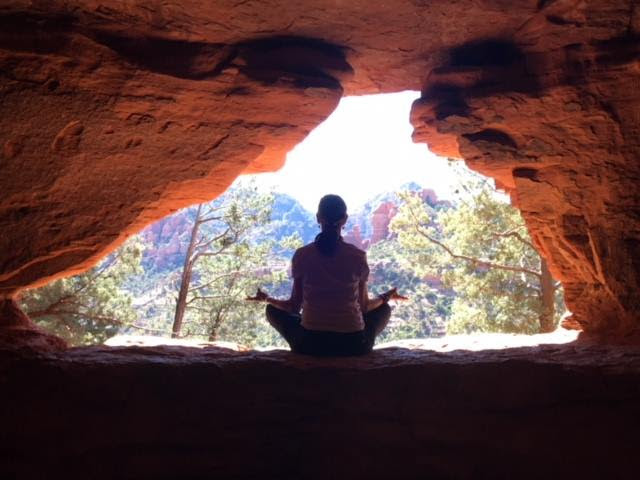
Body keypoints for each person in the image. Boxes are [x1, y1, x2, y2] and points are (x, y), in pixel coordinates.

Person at [247, 194, 406, 356]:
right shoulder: (357, 256)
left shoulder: (302, 255)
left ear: (318, 218)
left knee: (271, 310)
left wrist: (267, 299)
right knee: (384, 309)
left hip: (309, 344)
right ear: (344, 220)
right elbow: (364, 307)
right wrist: (386, 296)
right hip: (354, 344)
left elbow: (294, 306)